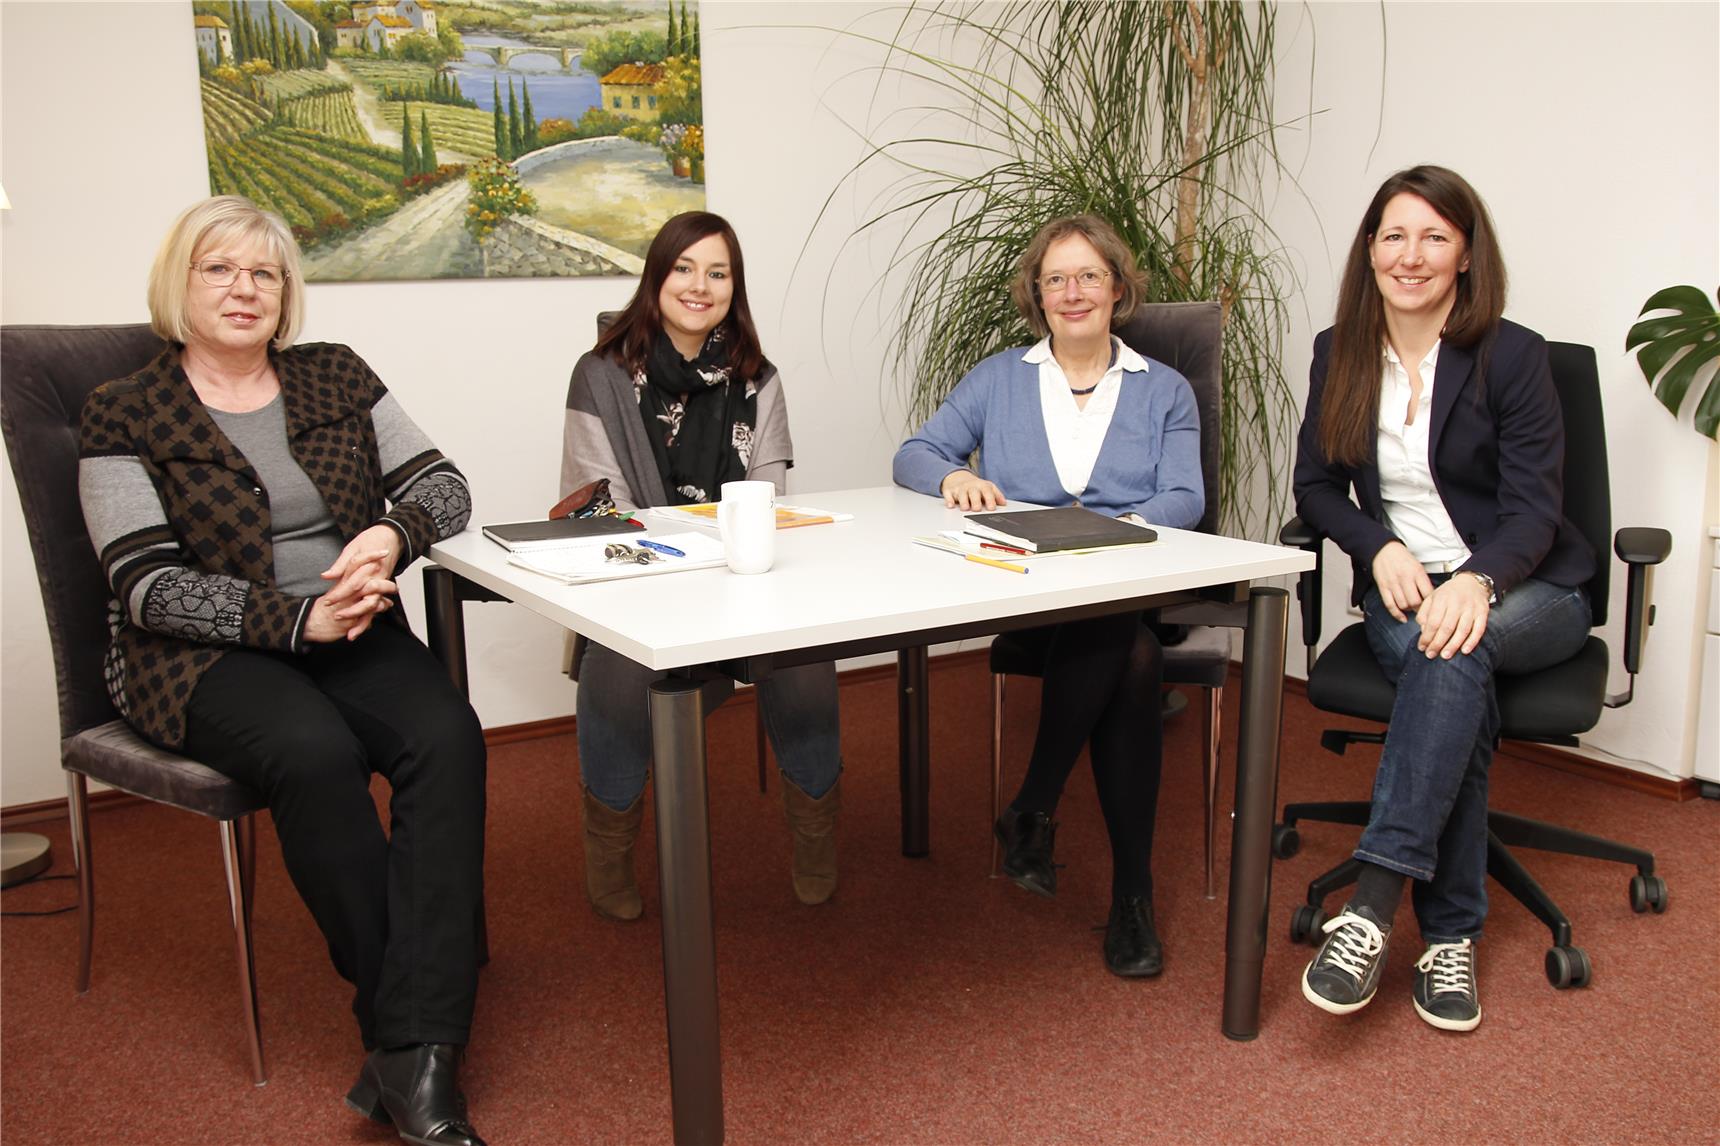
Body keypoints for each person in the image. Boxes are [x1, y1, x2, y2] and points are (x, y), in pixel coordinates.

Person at [78, 196, 488, 1146]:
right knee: (312, 753)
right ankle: (416, 1040)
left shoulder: (336, 375)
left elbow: (443, 485)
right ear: (178, 285)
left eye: (265, 273)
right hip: (199, 655)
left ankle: (409, 1048)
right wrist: (296, 619)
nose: (244, 289)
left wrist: (389, 532)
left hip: (351, 624)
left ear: (287, 294)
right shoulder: (124, 409)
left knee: (447, 737)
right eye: (219, 269)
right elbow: (144, 585)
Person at [1293, 166, 1594, 1032]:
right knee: (1449, 657)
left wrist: (1478, 579)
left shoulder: (1512, 353)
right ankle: (1451, 937)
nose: (1410, 255)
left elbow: (1536, 511)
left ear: (1465, 254)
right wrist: (1377, 544)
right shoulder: (1337, 350)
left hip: (1528, 585)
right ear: (1371, 250)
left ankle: (1374, 905)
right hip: (1408, 583)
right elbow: (1314, 489)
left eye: (1433, 237)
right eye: (1393, 235)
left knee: (1457, 642)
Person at [891, 214, 1202, 976]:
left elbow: (1185, 497)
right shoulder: (1000, 377)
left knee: (1123, 642)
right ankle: (1131, 895)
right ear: (1037, 293)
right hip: (1025, 598)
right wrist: (953, 475)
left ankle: (1036, 809)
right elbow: (914, 452)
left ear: (1118, 288)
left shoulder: (1164, 390)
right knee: (1127, 655)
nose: (1073, 292)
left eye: (1089, 275)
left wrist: (1117, 531)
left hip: (1121, 585)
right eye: (1056, 278)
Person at [561, 211, 843, 914]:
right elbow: (599, 502)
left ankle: (815, 834)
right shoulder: (598, 375)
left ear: (733, 287)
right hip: (640, 583)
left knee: (808, 659)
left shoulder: (759, 377)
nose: (700, 285)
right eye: (684, 268)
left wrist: (734, 555)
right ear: (657, 277)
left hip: (745, 579)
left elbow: (770, 490)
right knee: (616, 670)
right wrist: (684, 553)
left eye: (718, 272)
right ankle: (611, 852)